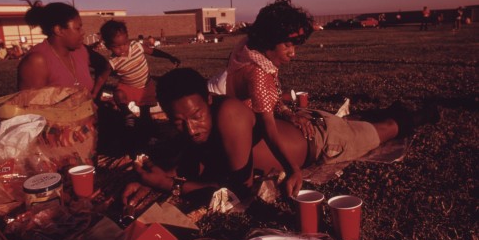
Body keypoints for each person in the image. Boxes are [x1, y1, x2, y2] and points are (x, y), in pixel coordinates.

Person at [122, 68, 439, 205]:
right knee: (369, 123)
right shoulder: (196, 123)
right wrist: (154, 177)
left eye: (195, 117)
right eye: (179, 123)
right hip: (307, 132)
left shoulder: (227, 115)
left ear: (208, 101)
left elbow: (240, 190)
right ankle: (387, 112)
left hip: (323, 141)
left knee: (385, 132)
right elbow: (193, 163)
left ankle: (421, 113)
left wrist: (168, 185)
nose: (191, 130)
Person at [225, 0, 439, 196]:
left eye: (295, 45)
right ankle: (417, 113)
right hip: (321, 138)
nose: (293, 53)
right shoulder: (258, 73)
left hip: (313, 131)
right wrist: (293, 169)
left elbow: (264, 108)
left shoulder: (243, 52)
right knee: (371, 129)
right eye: (287, 45)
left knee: (380, 129)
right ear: (268, 39)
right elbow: (268, 128)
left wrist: (289, 115)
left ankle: (424, 115)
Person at [92, 20, 180, 153]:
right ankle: (127, 114)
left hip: (145, 86)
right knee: (118, 93)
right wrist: (94, 94)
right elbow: (102, 78)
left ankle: (149, 135)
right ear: (108, 46)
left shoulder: (136, 46)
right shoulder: (112, 62)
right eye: (117, 46)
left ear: (128, 39)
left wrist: (169, 56)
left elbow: (153, 51)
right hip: (128, 86)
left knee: (145, 114)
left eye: (124, 43)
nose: (123, 48)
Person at [17, 0, 106, 92]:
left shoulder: (81, 51)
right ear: (59, 30)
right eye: (78, 28)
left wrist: (95, 95)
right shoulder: (37, 61)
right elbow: (29, 105)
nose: (83, 32)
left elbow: (104, 66)